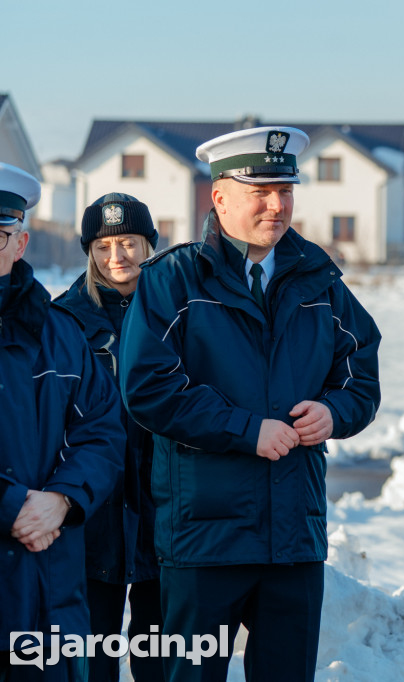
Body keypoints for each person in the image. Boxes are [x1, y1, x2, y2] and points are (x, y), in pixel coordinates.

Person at [119, 126, 382, 682]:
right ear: (219, 197)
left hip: (293, 537)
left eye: (285, 190)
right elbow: (148, 387)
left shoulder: (320, 280)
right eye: (259, 190)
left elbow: (361, 373)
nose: (276, 204)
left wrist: (334, 412)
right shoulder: (173, 280)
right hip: (204, 540)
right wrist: (246, 430)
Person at [0, 164, 124, 681]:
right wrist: (11, 505)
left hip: (50, 582)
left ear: (21, 242)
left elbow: (101, 429)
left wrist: (64, 499)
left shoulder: (61, 334)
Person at [54, 193, 163, 682]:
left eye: (128, 243)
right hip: (92, 506)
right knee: (92, 647)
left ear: (148, 245)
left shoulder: (174, 308)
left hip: (162, 500)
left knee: (159, 646)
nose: (116, 257)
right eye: (102, 247)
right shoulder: (64, 320)